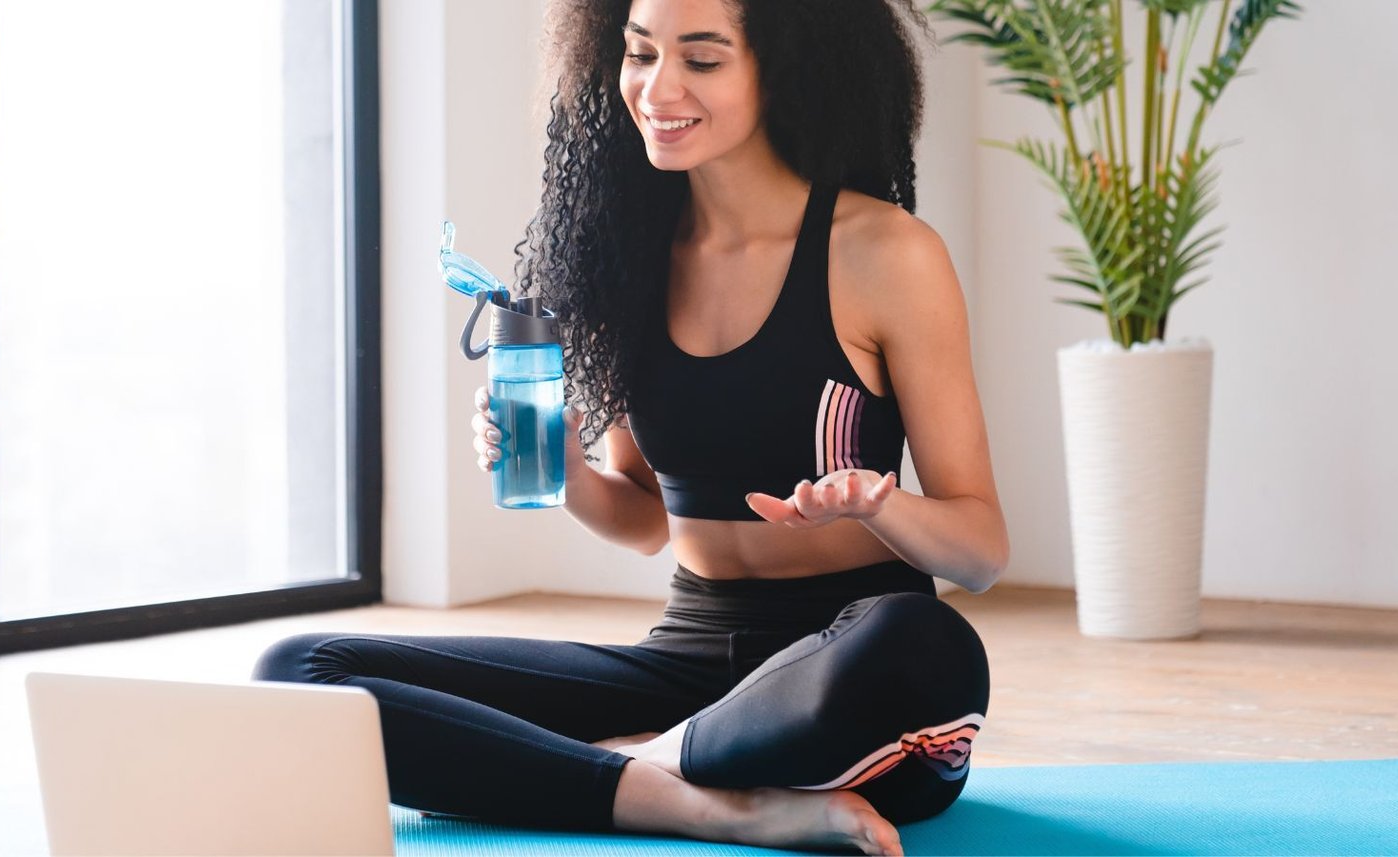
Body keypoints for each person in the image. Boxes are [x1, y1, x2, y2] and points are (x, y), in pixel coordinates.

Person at [255, 0, 1006, 853]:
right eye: (640, 53)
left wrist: (880, 505)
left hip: (846, 676)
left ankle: (624, 767)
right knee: (301, 672)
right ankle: (688, 796)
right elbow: (647, 517)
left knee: (923, 642)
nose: (658, 87)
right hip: (687, 666)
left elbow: (980, 551)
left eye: (703, 59)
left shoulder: (886, 252)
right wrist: (567, 472)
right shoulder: (630, 253)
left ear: (785, 67)